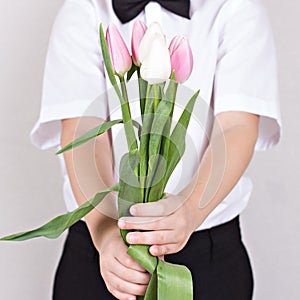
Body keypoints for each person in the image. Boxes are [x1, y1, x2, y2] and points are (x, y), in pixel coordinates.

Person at [30, 0, 281, 299]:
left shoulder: (235, 9)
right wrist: (105, 232)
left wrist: (189, 209)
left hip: (209, 251)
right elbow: (84, 134)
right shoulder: (83, 11)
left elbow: (236, 127)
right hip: (100, 247)